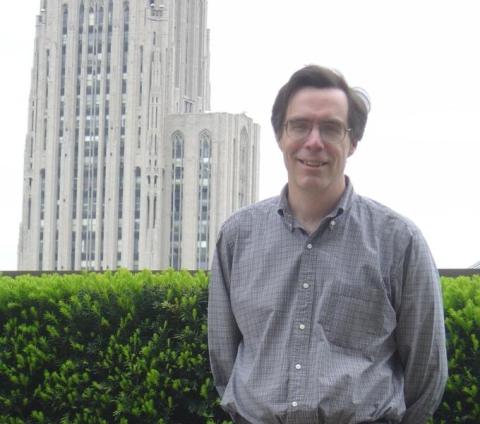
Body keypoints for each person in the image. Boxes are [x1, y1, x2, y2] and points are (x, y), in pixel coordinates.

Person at [208, 65, 448, 424]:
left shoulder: (400, 242)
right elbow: (224, 357)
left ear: (351, 142)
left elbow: (426, 372)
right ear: (280, 135)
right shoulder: (237, 238)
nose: (314, 141)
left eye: (331, 128)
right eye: (300, 125)